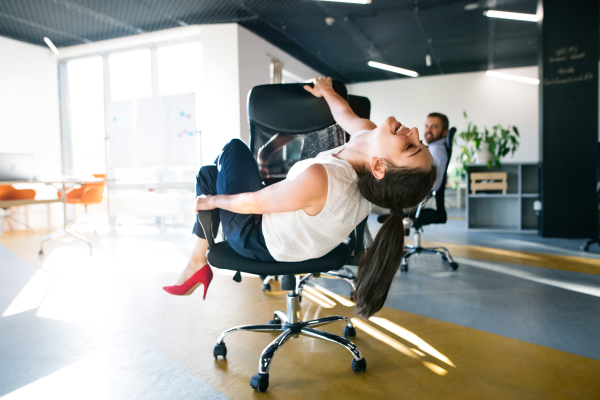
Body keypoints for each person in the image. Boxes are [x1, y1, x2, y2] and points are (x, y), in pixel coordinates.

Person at [163, 77, 437, 318]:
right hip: (302, 243)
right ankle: (197, 262)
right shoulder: (367, 141)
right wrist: (327, 91)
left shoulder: (324, 180)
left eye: (410, 147)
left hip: (255, 238)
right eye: (420, 143)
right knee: (210, 175)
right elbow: (344, 115)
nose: (414, 132)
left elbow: (253, 203)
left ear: (379, 168)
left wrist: (212, 203)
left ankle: (196, 263)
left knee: (231, 150)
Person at [424, 112, 449, 192]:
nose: (428, 130)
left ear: (445, 132)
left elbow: (434, 185)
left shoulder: (437, 149)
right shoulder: (432, 147)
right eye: (426, 126)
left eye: (433, 127)